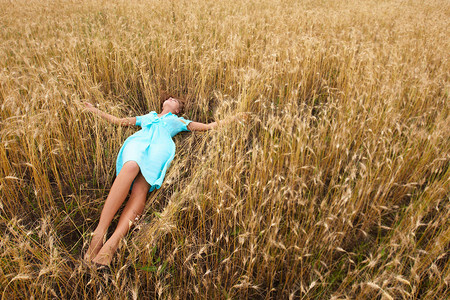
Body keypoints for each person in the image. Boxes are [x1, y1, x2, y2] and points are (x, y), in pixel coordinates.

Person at [81, 97, 246, 267]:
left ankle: (111, 245)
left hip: (160, 148)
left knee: (141, 188)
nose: (170, 99)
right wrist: (94, 110)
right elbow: (120, 121)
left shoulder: (178, 121)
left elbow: (209, 127)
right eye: (169, 98)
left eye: (175, 100)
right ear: (162, 104)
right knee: (130, 166)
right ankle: (99, 233)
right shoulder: (148, 116)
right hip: (139, 142)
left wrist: (233, 118)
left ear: (177, 110)